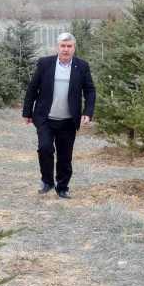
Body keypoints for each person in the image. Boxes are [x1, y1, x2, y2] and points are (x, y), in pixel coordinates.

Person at [23, 32, 96, 199]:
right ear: (58, 47)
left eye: (69, 46)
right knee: (45, 148)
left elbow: (90, 90)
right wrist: (27, 112)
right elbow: (32, 88)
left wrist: (88, 112)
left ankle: (62, 187)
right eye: (63, 46)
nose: (65, 49)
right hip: (46, 118)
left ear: (73, 48)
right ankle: (47, 181)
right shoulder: (45, 64)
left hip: (68, 120)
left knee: (65, 156)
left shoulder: (82, 66)